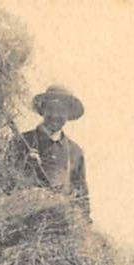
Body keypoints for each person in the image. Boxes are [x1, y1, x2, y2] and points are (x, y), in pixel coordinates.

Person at [20, 84, 90, 220]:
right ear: (43, 110)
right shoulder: (21, 141)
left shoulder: (75, 151)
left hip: (60, 225)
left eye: (61, 111)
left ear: (68, 115)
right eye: (51, 109)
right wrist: (25, 166)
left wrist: (85, 225)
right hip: (25, 219)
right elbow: (4, 181)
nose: (55, 115)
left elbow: (82, 195)